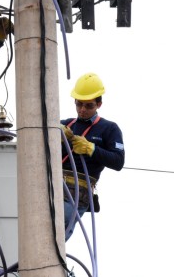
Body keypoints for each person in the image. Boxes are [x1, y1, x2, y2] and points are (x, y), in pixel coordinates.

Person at [60, 72, 125, 240]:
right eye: (79, 104)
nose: (82, 109)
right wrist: (53, 132)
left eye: (88, 106)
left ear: (99, 104)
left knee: (58, 228)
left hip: (77, 191)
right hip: (53, 184)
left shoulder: (109, 129)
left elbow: (118, 161)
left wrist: (91, 149)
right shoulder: (66, 125)